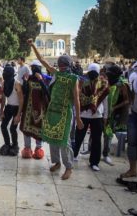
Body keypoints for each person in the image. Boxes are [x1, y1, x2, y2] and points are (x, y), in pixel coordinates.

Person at [28, 39, 84, 180]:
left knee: (64, 141)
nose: (61, 67)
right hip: (53, 111)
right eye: (60, 65)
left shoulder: (73, 79)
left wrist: (78, 117)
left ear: (68, 65)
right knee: (52, 138)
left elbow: (76, 99)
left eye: (63, 64)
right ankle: (57, 162)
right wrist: (33, 45)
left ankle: (69, 167)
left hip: (65, 113)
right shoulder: (56, 74)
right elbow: (41, 60)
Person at [73, 63, 109, 171]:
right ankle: (74, 155)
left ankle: (94, 162)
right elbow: (77, 99)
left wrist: (106, 115)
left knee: (96, 140)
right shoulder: (82, 82)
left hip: (97, 115)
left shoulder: (103, 83)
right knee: (79, 136)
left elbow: (105, 101)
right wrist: (76, 114)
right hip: (83, 115)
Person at [20, 60, 50, 159]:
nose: (34, 70)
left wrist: (41, 80)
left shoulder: (45, 79)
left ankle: (38, 149)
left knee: (39, 129)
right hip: (28, 108)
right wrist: (24, 81)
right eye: (33, 68)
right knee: (26, 128)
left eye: (35, 67)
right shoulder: (30, 79)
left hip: (41, 110)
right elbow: (25, 91)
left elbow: (47, 93)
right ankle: (27, 149)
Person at [103, 65, 130, 165]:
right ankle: (91, 149)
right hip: (103, 110)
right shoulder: (107, 81)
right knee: (96, 132)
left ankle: (106, 154)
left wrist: (114, 107)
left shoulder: (122, 84)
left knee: (108, 134)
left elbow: (127, 100)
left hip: (113, 113)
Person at [120, 61, 137, 178]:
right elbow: (128, 95)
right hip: (134, 115)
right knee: (132, 143)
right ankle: (133, 169)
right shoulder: (133, 77)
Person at [0, 65, 23, 156]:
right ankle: (7, 144)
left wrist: (18, 115)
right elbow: (4, 98)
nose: (4, 74)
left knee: (13, 128)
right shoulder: (5, 83)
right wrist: (1, 111)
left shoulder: (16, 83)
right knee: (3, 126)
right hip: (8, 107)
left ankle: (15, 145)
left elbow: (21, 100)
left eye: (6, 73)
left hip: (16, 108)